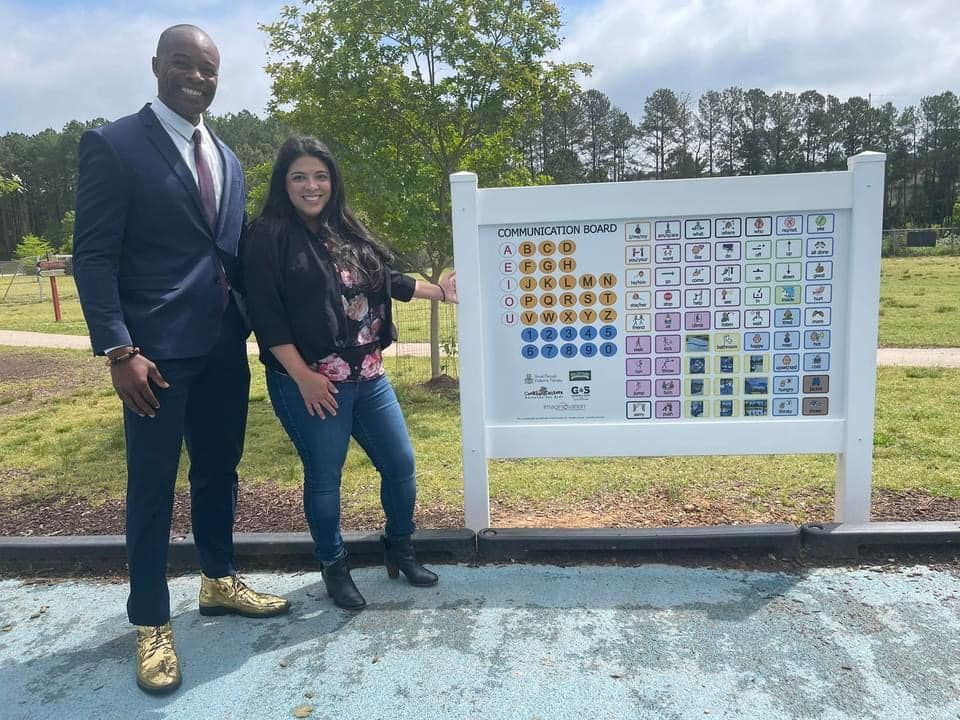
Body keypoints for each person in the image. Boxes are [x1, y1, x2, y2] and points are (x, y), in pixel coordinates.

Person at [72, 24, 289, 695]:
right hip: (153, 358)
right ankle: (150, 621)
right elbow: (94, 256)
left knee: (220, 470)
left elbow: (228, 257)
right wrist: (118, 349)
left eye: (209, 68)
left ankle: (219, 580)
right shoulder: (113, 146)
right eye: (183, 63)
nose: (197, 76)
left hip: (225, 345)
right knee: (153, 485)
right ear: (158, 66)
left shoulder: (228, 157)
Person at [243, 136, 457, 611]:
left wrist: (440, 292)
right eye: (299, 176)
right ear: (284, 183)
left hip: (370, 377)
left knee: (400, 466)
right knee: (325, 477)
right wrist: (303, 376)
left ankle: (399, 547)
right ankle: (334, 566)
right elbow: (267, 316)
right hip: (314, 383)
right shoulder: (267, 234)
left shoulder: (345, 229)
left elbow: (387, 281)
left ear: (333, 182)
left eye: (320, 175)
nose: (311, 185)